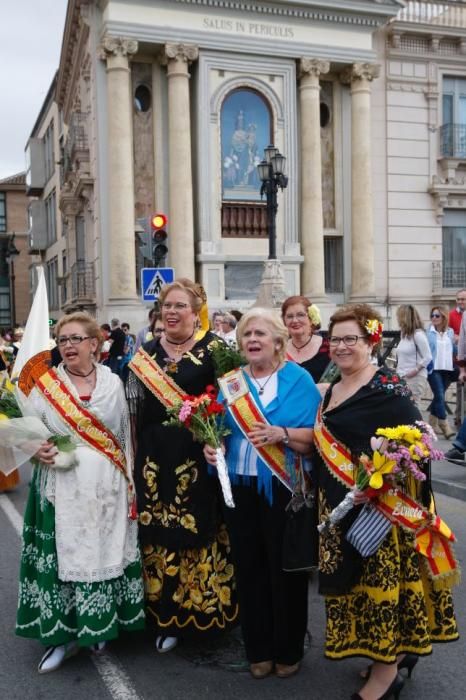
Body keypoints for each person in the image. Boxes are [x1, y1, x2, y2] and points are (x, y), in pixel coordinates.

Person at [313, 303, 458, 700]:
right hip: (342, 506)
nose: (341, 346)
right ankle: (392, 655)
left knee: (380, 589)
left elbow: (419, 447)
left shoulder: (388, 387)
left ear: (371, 341)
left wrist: (384, 479)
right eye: (335, 339)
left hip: (379, 515)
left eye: (351, 339)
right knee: (356, 588)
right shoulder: (330, 391)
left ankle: (386, 674)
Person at [16, 311, 145, 673]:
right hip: (62, 488)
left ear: (95, 344)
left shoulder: (113, 384)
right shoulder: (45, 387)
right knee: (64, 560)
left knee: (105, 552)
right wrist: (34, 448)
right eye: (62, 340)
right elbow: (26, 431)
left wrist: (129, 482)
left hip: (107, 488)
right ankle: (63, 635)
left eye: (75, 339)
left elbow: (124, 437)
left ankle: (101, 627)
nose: (68, 346)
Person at [204, 308, 321, 680]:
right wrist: (211, 447)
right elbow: (218, 429)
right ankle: (258, 648)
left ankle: (288, 649)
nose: (252, 340)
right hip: (240, 489)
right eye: (246, 336)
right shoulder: (231, 383)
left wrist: (282, 434)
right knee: (250, 569)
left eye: (260, 334)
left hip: (283, 490)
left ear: (277, 341)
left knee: (285, 572)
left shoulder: (298, 379)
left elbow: (316, 440)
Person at [127, 279, 238, 654]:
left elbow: (236, 402)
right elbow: (134, 409)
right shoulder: (146, 353)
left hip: (196, 456)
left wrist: (219, 438)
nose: (171, 312)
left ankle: (194, 616)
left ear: (196, 311)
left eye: (179, 306)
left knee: (196, 528)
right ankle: (159, 615)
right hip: (154, 458)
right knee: (156, 529)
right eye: (165, 306)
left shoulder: (217, 350)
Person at [282, 295, 330, 383]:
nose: (295, 320)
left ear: (311, 318)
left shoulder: (328, 346)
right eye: (289, 316)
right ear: (284, 321)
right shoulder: (278, 350)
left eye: (300, 315)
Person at [426, 306, 456, 438]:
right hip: (434, 369)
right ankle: (445, 425)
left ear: (444, 317)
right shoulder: (428, 333)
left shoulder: (450, 332)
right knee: (439, 395)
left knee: (439, 396)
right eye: (432, 315)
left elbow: (454, 350)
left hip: (448, 369)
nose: (434, 318)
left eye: (437, 315)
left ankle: (430, 426)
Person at [395, 304, 432, 409]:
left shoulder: (418, 335)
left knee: (413, 408)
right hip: (402, 376)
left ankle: (419, 426)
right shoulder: (404, 335)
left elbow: (428, 356)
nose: (397, 319)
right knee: (403, 408)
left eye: (399, 316)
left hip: (415, 378)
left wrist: (416, 370)